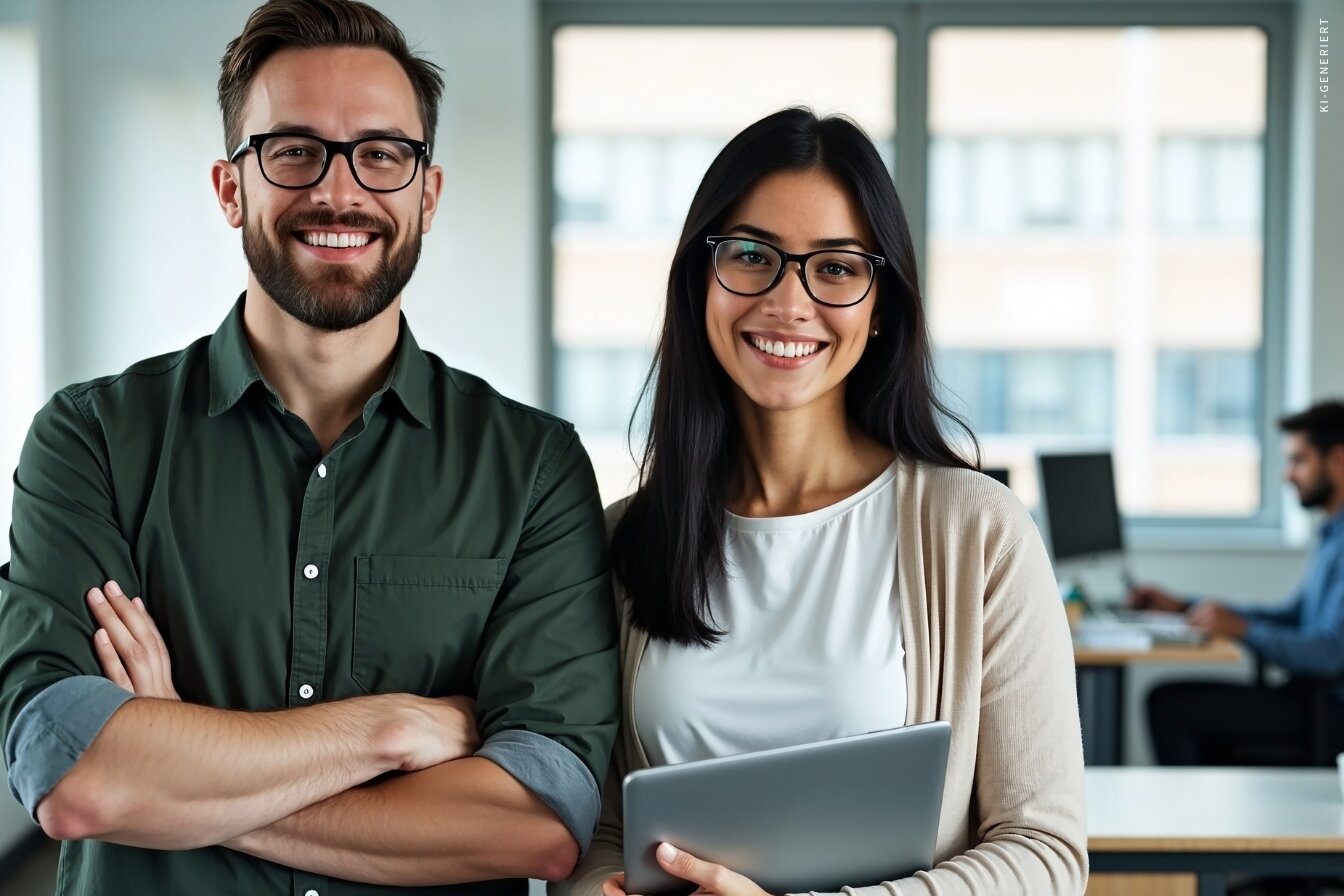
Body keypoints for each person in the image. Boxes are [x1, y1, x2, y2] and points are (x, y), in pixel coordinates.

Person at [0, 1, 618, 893]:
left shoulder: (534, 470)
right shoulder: (90, 440)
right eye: (293, 150)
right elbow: (76, 779)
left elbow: (536, 827)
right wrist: (387, 732)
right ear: (230, 187)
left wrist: (180, 763)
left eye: (382, 153)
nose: (339, 191)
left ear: (427, 193)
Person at [555, 108, 1087, 896]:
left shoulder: (977, 534)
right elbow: (601, 833)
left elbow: (1044, 852)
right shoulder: (623, 541)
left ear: (881, 307)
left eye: (834, 267)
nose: (788, 301)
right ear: (702, 282)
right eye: (751, 256)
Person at [1131, 400, 1344, 765]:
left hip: (1326, 712)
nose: (1287, 475)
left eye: (1298, 460)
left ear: (1338, 459)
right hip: (1309, 699)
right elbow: (1292, 616)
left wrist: (1244, 630)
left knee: (1168, 705)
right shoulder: (1332, 534)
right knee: (1173, 702)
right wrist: (1184, 606)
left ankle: (1188, 823)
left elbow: (1329, 653)